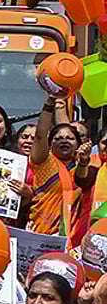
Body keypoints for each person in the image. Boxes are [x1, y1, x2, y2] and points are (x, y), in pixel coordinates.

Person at [29, 95, 94, 243]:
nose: (64, 140)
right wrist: (50, 103)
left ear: (78, 144)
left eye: (70, 138)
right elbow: (40, 136)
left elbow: (83, 179)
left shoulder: (82, 164)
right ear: (50, 144)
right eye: (58, 138)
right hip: (41, 234)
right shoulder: (45, 162)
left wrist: (83, 161)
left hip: (73, 239)